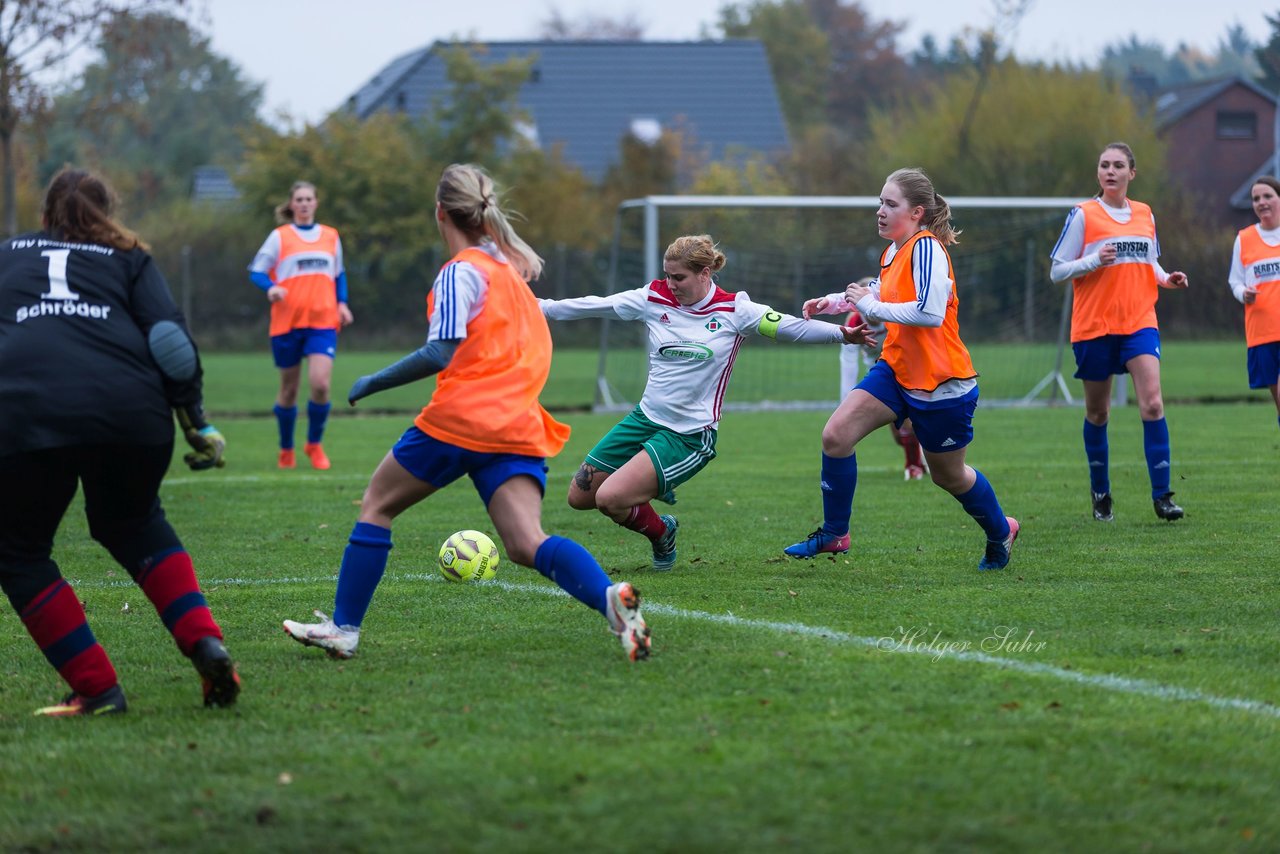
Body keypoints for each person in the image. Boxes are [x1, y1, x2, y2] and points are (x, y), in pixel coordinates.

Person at [282, 163, 651, 661]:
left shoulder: (461, 272)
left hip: (462, 418)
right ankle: (611, 601)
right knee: (525, 542)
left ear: (441, 213)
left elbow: (441, 351)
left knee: (377, 507)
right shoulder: (510, 273)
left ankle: (345, 629)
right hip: (516, 423)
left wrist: (373, 382)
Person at [0, 167, 239, 716]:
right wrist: (196, 421)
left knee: (19, 552)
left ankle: (97, 689)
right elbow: (169, 342)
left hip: (29, 411)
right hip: (130, 412)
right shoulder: (130, 256)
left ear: (43, 217)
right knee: (132, 522)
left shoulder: (9, 254)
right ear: (109, 212)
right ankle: (205, 641)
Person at [539, 235, 875, 571]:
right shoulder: (652, 298)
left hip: (688, 435)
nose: (671, 284)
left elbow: (789, 327)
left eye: (679, 277)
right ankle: (652, 485)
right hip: (644, 419)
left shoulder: (735, 310)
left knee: (610, 499)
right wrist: (537, 307)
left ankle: (662, 533)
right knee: (579, 498)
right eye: (667, 275)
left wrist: (841, 334)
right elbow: (591, 304)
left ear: (705, 274)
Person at [784, 168, 1019, 571]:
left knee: (949, 477)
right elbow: (878, 292)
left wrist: (869, 307)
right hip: (895, 368)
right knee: (836, 435)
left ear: (917, 212)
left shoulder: (928, 249)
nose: (880, 211)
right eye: (880, 202)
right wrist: (834, 302)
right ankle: (835, 532)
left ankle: (1001, 531)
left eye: (890, 204)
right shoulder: (895, 249)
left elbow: (927, 313)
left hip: (941, 383)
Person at [1049, 142, 1189, 522]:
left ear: (1132, 173)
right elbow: (1057, 270)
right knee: (1098, 412)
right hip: (1094, 326)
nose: (1110, 171)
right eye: (1104, 165)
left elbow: (1150, 263)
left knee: (1153, 403)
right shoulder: (1083, 214)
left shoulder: (1145, 214)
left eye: (1118, 166)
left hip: (1140, 322)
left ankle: (1163, 497)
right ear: (1098, 173)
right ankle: (1101, 494)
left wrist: (1167, 279)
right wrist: (1094, 259)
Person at [248, 180, 354, 471]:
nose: (305, 203)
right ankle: (286, 450)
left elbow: (339, 274)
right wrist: (270, 287)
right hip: (287, 323)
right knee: (289, 391)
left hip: (323, 321)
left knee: (320, 385)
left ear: (316, 203)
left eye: (309, 198)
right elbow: (256, 271)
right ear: (292, 204)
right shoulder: (280, 237)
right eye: (300, 199)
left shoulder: (331, 236)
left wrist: (342, 303)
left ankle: (314, 444)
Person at [841, 278, 928, 481]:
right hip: (878, 370)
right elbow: (848, 361)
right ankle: (923, 452)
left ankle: (914, 468)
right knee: (900, 436)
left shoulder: (890, 311)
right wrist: (845, 402)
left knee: (907, 422)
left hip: (906, 365)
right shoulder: (854, 322)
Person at [1227, 175, 1280, 429]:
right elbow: (1235, 281)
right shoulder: (1244, 239)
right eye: (1256, 198)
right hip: (1262, 333)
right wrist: (1243, 294)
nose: (1262, 202)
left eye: (1268, 196)